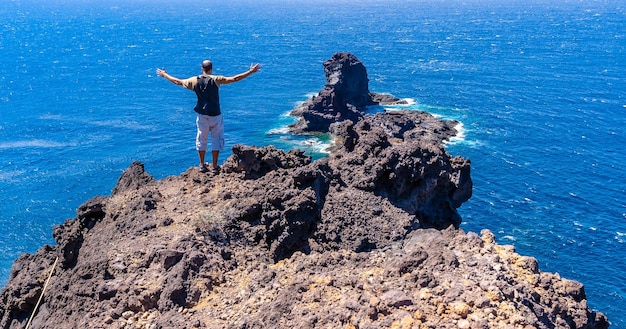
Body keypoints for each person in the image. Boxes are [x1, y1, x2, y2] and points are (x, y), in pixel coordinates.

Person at [156, 60, 261, 173]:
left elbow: (177, 81)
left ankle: (202, 165)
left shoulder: (194, 81)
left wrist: (164, 74)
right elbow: (234, 78)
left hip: (202, 116)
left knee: (201, 139)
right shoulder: (216, 80)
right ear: (211, 69)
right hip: (215, 115)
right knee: (216, 140)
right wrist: (250, 72)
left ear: (202, 68)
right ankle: (215, 166)